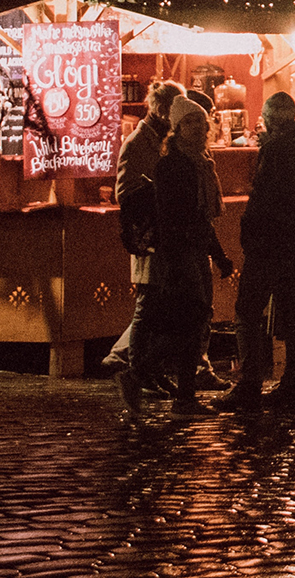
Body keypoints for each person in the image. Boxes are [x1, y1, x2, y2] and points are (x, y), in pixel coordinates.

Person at [120, 99, 231, 421]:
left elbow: (203, 217)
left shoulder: (200, 162)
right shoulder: (173, 165)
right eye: (190, 122)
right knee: (189, 323)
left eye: (201, 121)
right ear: (178, 128)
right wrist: (178, 260)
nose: (198, 127)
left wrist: (217, 254)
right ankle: (148, 376)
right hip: (180, 253)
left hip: (194, 251)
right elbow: (175, 217)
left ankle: (176, 391)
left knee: (192, 323)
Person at [221, 92, 295, 412]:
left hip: (269, 243)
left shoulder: (275, 148)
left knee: (247, 311)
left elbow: (263, 197)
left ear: (269, 119)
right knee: (290, 310)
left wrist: (248, 234)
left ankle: (250, 380)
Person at [105, 80, 183, 371]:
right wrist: (157, 196)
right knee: (149, 304)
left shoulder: (167, 141)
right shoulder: (138, 143)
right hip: (149, 235)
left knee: (159, 305)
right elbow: (124, 193)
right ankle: (128, 364)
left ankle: (136, 363)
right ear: (162, 109)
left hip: (165, 234)